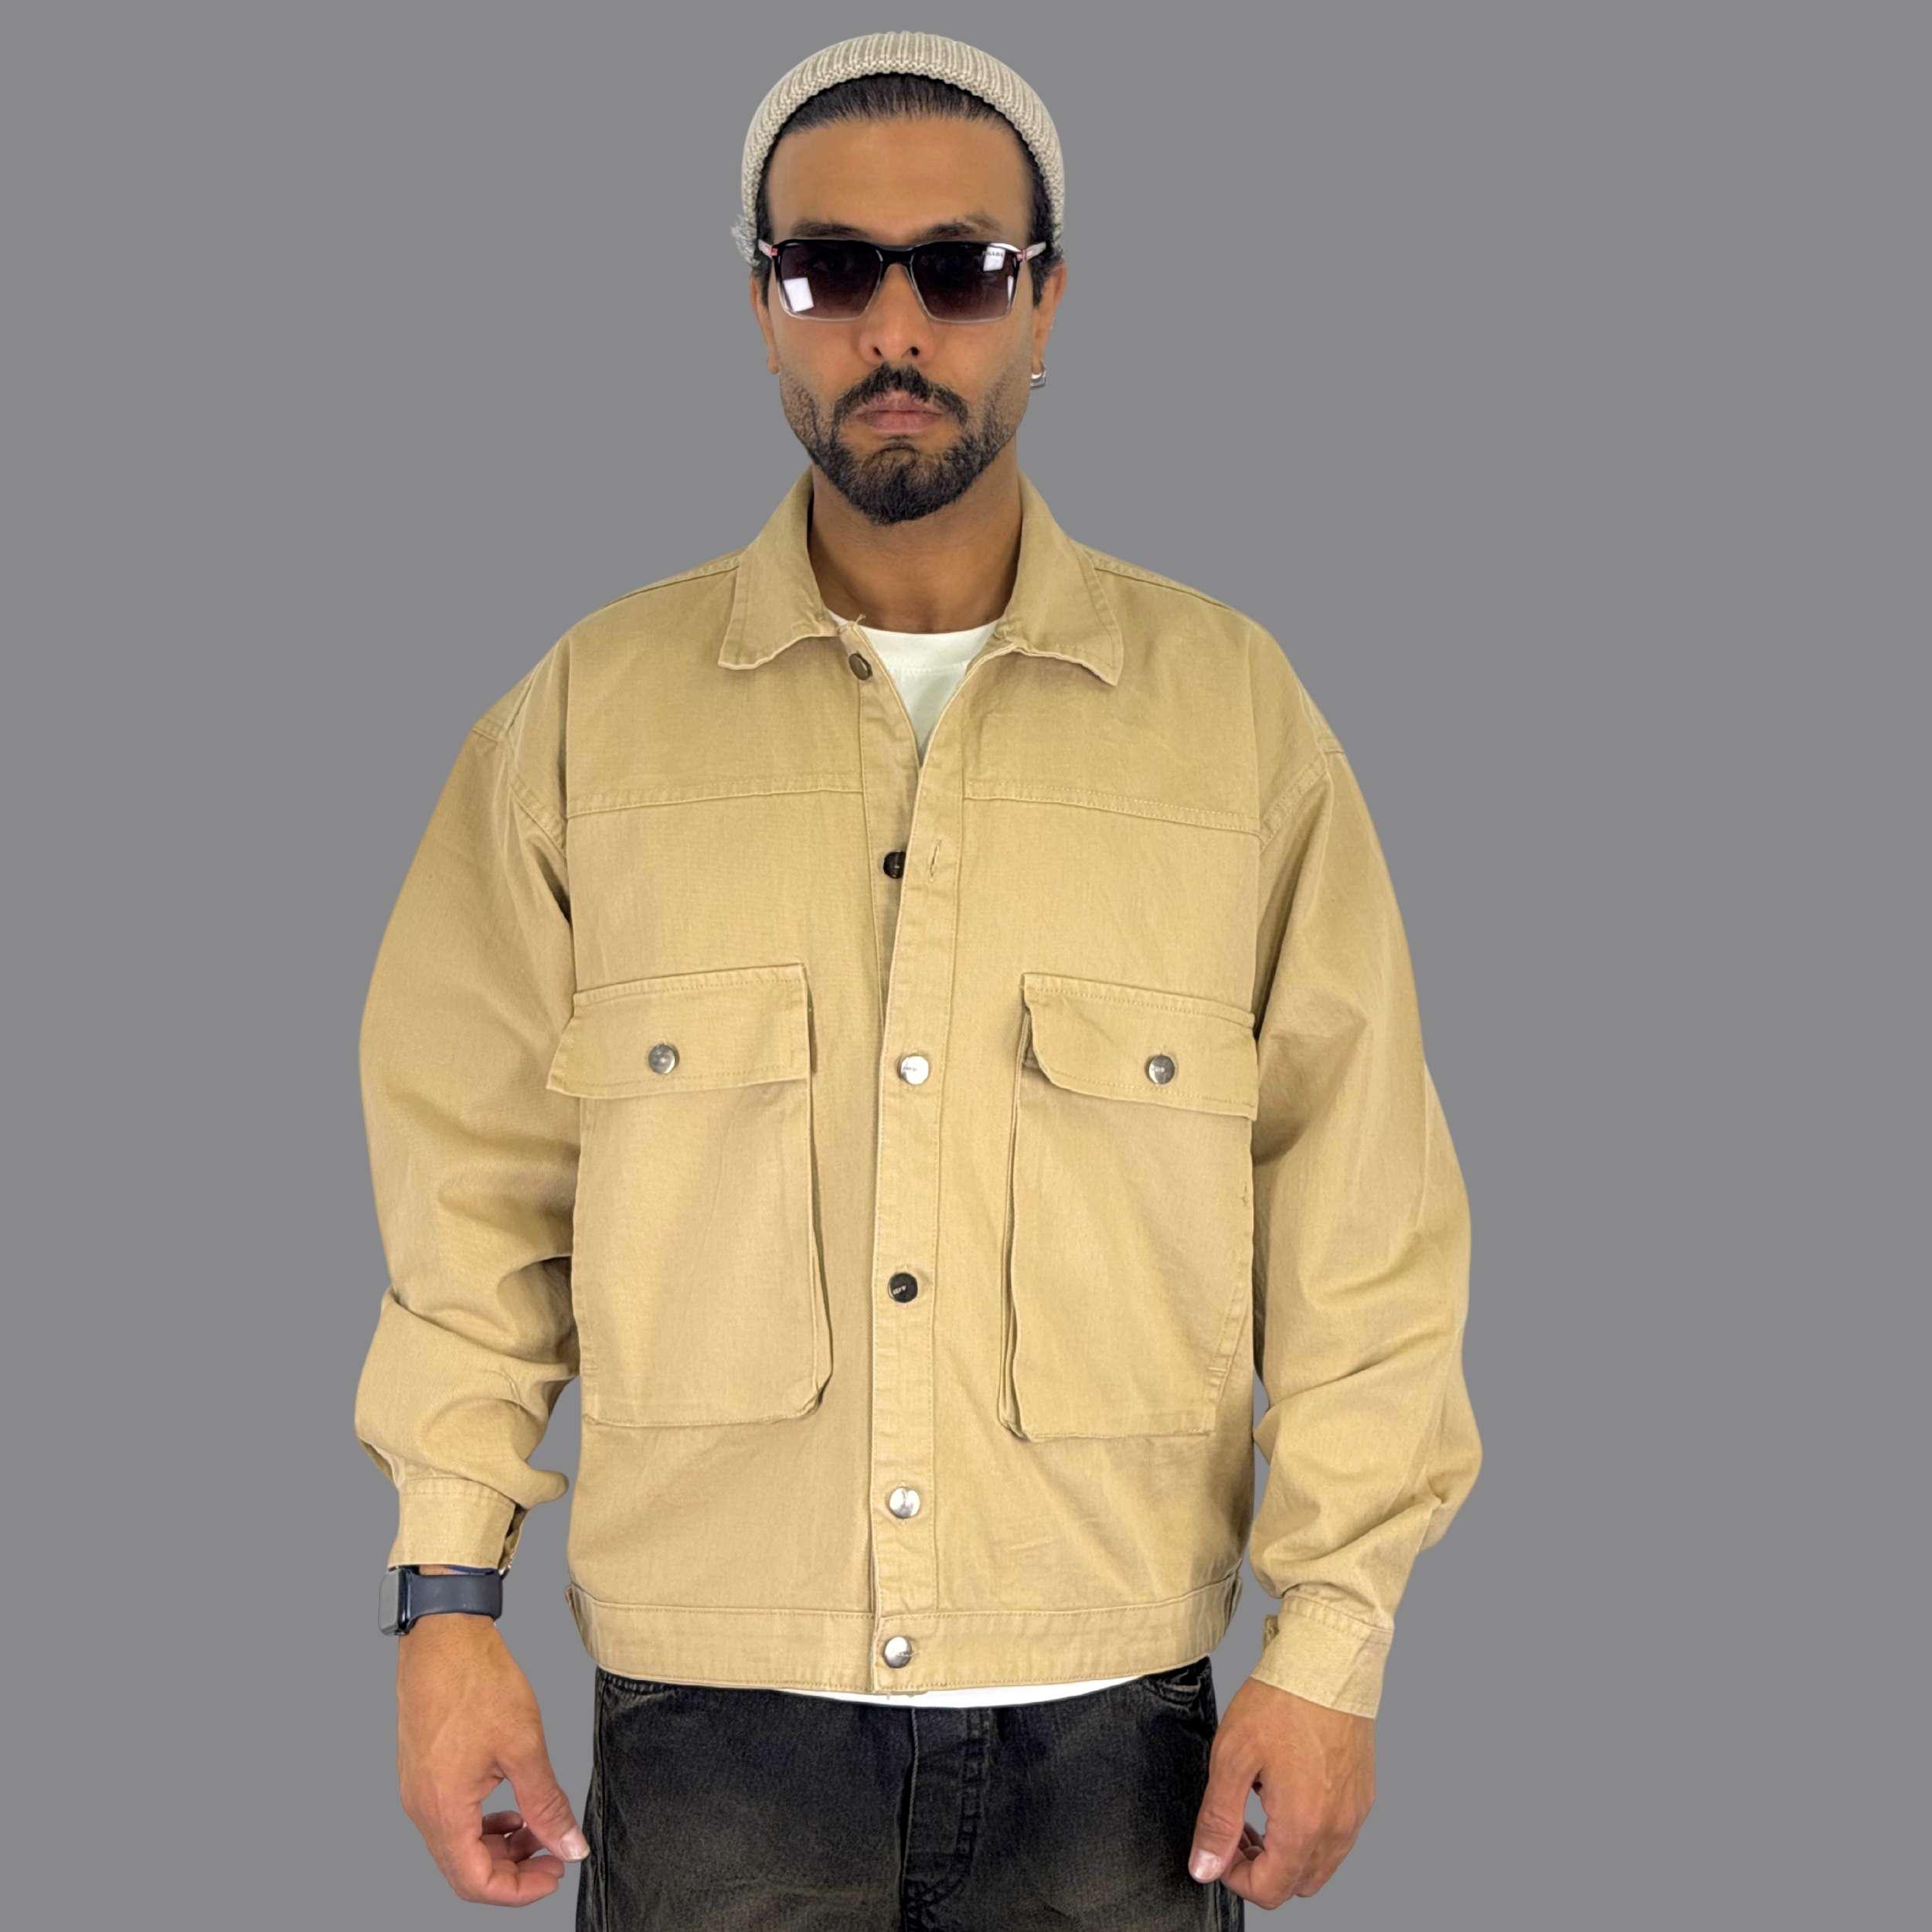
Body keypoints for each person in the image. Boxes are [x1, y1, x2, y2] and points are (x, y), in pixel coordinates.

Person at [352, 29, 1481, 1928]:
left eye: (957, 269)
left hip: (1118, 1740)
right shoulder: (584, 726)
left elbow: (1358, 1216)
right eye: (828, 271)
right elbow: (470, 1200)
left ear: (1045, 300)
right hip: (710, 1737)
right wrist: (445, 1602)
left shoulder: (1232, 726)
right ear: (761, 307)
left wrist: (1334, 1638)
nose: (893, 326)